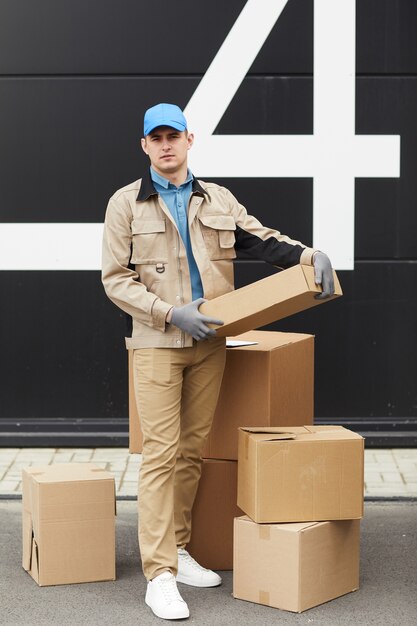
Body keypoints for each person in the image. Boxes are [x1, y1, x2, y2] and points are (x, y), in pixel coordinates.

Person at [101, 102, 334, 620]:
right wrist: (168, 313)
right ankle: (158, 574)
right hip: (157, 345)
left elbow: (261, 239)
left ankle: (179, 551)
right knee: (161, 454)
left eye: (173, 136)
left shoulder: (219, 199)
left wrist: (305, 255)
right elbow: (115, 279)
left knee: (190, 451)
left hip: (211, 343)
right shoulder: (125, 204)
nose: (165, 145)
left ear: (190, 140)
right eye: (155, 138)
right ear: (144, 146)